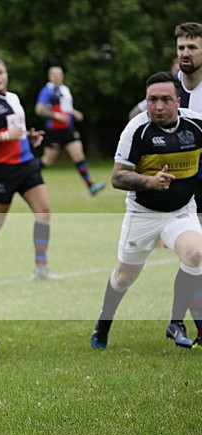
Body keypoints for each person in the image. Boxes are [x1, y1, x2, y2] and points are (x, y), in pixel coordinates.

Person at [90, 72, 202, 350]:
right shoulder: (136, 130)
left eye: (165, 99)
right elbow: (117, 178)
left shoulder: (196, 125)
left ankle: (176, 322)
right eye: (152, 100)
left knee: (197, 253)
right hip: (142, 214)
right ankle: (104, 322)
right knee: (124, 277)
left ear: (178, 100)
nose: (158, 106)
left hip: (181, 211)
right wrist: (149, 182)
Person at [0, 57, 60, 282]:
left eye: (0, 72)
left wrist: (29, 137)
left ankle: (41, 268)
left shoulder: (14, 98)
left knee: (44, 213)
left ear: (6, 75)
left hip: (27, 165)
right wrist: (4, 136)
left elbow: (15, 131)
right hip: (2, 170)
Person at [35, 65, 106, 196]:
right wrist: (56, 115)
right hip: (54, 130)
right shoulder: (47, 91)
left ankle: (91, 186)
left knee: (79, 156)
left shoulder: (65, 89)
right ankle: (24, 173)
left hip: (68, 129)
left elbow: (66, 108)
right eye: (54, 74)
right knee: (47, 161)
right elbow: (39, 109)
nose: (57, 77)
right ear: (50, 76)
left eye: (59, 74)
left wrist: (74, 112)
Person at [174, 21, 202, 346]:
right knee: (194, 255)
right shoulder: (169, 88)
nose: (185, 53)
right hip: (182, 186)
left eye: (192, 47)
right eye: (181, 47)